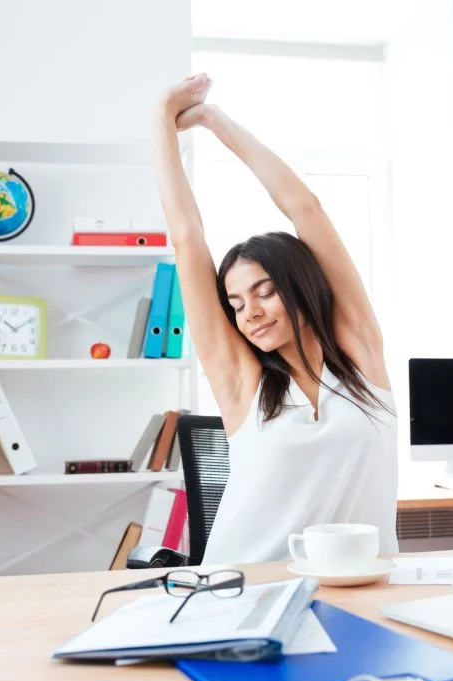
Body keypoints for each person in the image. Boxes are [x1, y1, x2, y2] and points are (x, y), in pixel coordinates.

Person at [153, 74, 399, 564]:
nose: (252, 313)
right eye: (238, 303)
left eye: (265, 291)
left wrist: (217, 123)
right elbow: (187, 238)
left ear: (300, 288)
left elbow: (305, 208)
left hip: (364, 591)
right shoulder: (241, 383)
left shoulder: (361, 355)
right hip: (245, 591)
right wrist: (163, 118)